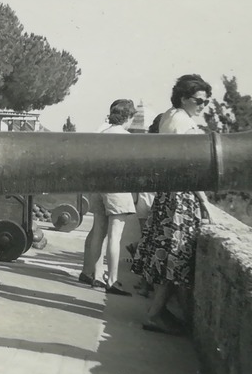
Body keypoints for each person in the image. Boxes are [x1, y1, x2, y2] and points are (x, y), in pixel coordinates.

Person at [133, 74, 214, 334]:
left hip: (168, 194)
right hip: (181, 196)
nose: (203, 105)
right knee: (175, 257)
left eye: (206, 101)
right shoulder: (184, 123)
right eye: (198, 100)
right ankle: (154, 314)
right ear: (183, 98)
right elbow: (190, 166)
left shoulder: (169, 116)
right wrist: (204, 201)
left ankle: (157, 312)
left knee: (166, 255)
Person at [78, 99, 140, 295]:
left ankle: (90, 273)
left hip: (98, 187)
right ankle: (112, 281)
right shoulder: (127, 138)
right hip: (117, 188)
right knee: (115, 236)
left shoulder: (102, 135)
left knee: (98, 231)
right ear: (128, 117)